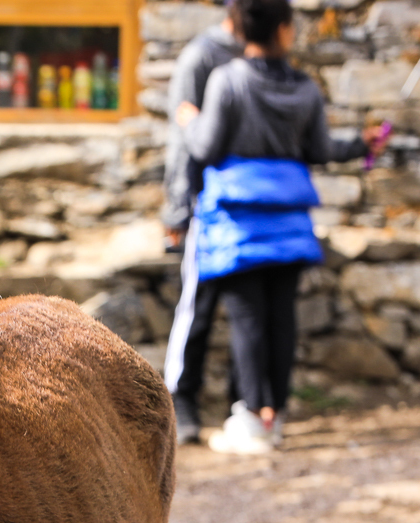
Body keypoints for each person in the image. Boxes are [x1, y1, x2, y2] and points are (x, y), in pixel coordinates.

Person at [183, 0, 389, 455]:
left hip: (240, 221)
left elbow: (206, 146)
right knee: (282, 317)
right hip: (289, 221)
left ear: (241, 27)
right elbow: (319, 149)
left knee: (248, 319)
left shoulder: (228, 81)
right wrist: (362, 143)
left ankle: (253, 418)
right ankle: (275, 415)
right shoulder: (305, 88)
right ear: (285, 30)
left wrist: (187, 119)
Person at [161, 5, 242, 445]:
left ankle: (242, 404)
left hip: (246, 204)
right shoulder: (202, 57)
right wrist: (177, 209)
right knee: (199, 304)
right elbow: (183, 140)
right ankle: (182, 400)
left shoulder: (259, 56)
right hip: (204, 206)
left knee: (247, 312)